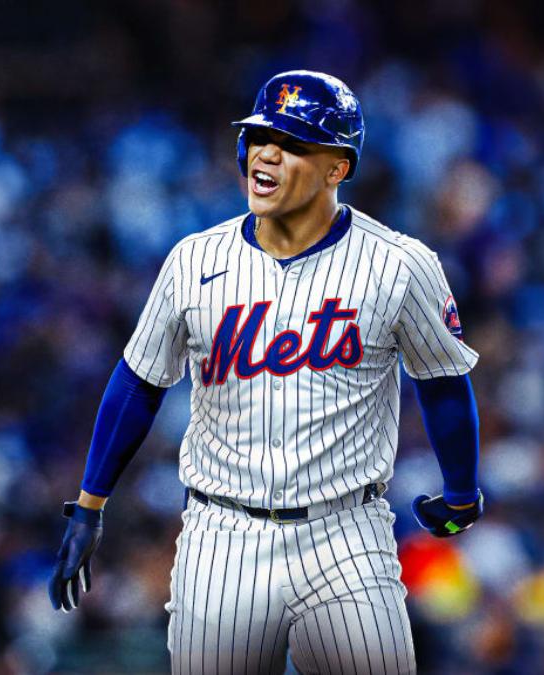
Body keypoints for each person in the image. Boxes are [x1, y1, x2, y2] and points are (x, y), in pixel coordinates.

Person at [49, 70, 484, 674]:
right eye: (259, 137)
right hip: (222, 533)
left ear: (337, 168)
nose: (267, 155)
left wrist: (461, 491)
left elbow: (442, 382)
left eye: (294, 143)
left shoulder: (399, 265)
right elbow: (137, 384)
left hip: (346, 533)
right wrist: (89, 505)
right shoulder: (194, 260)